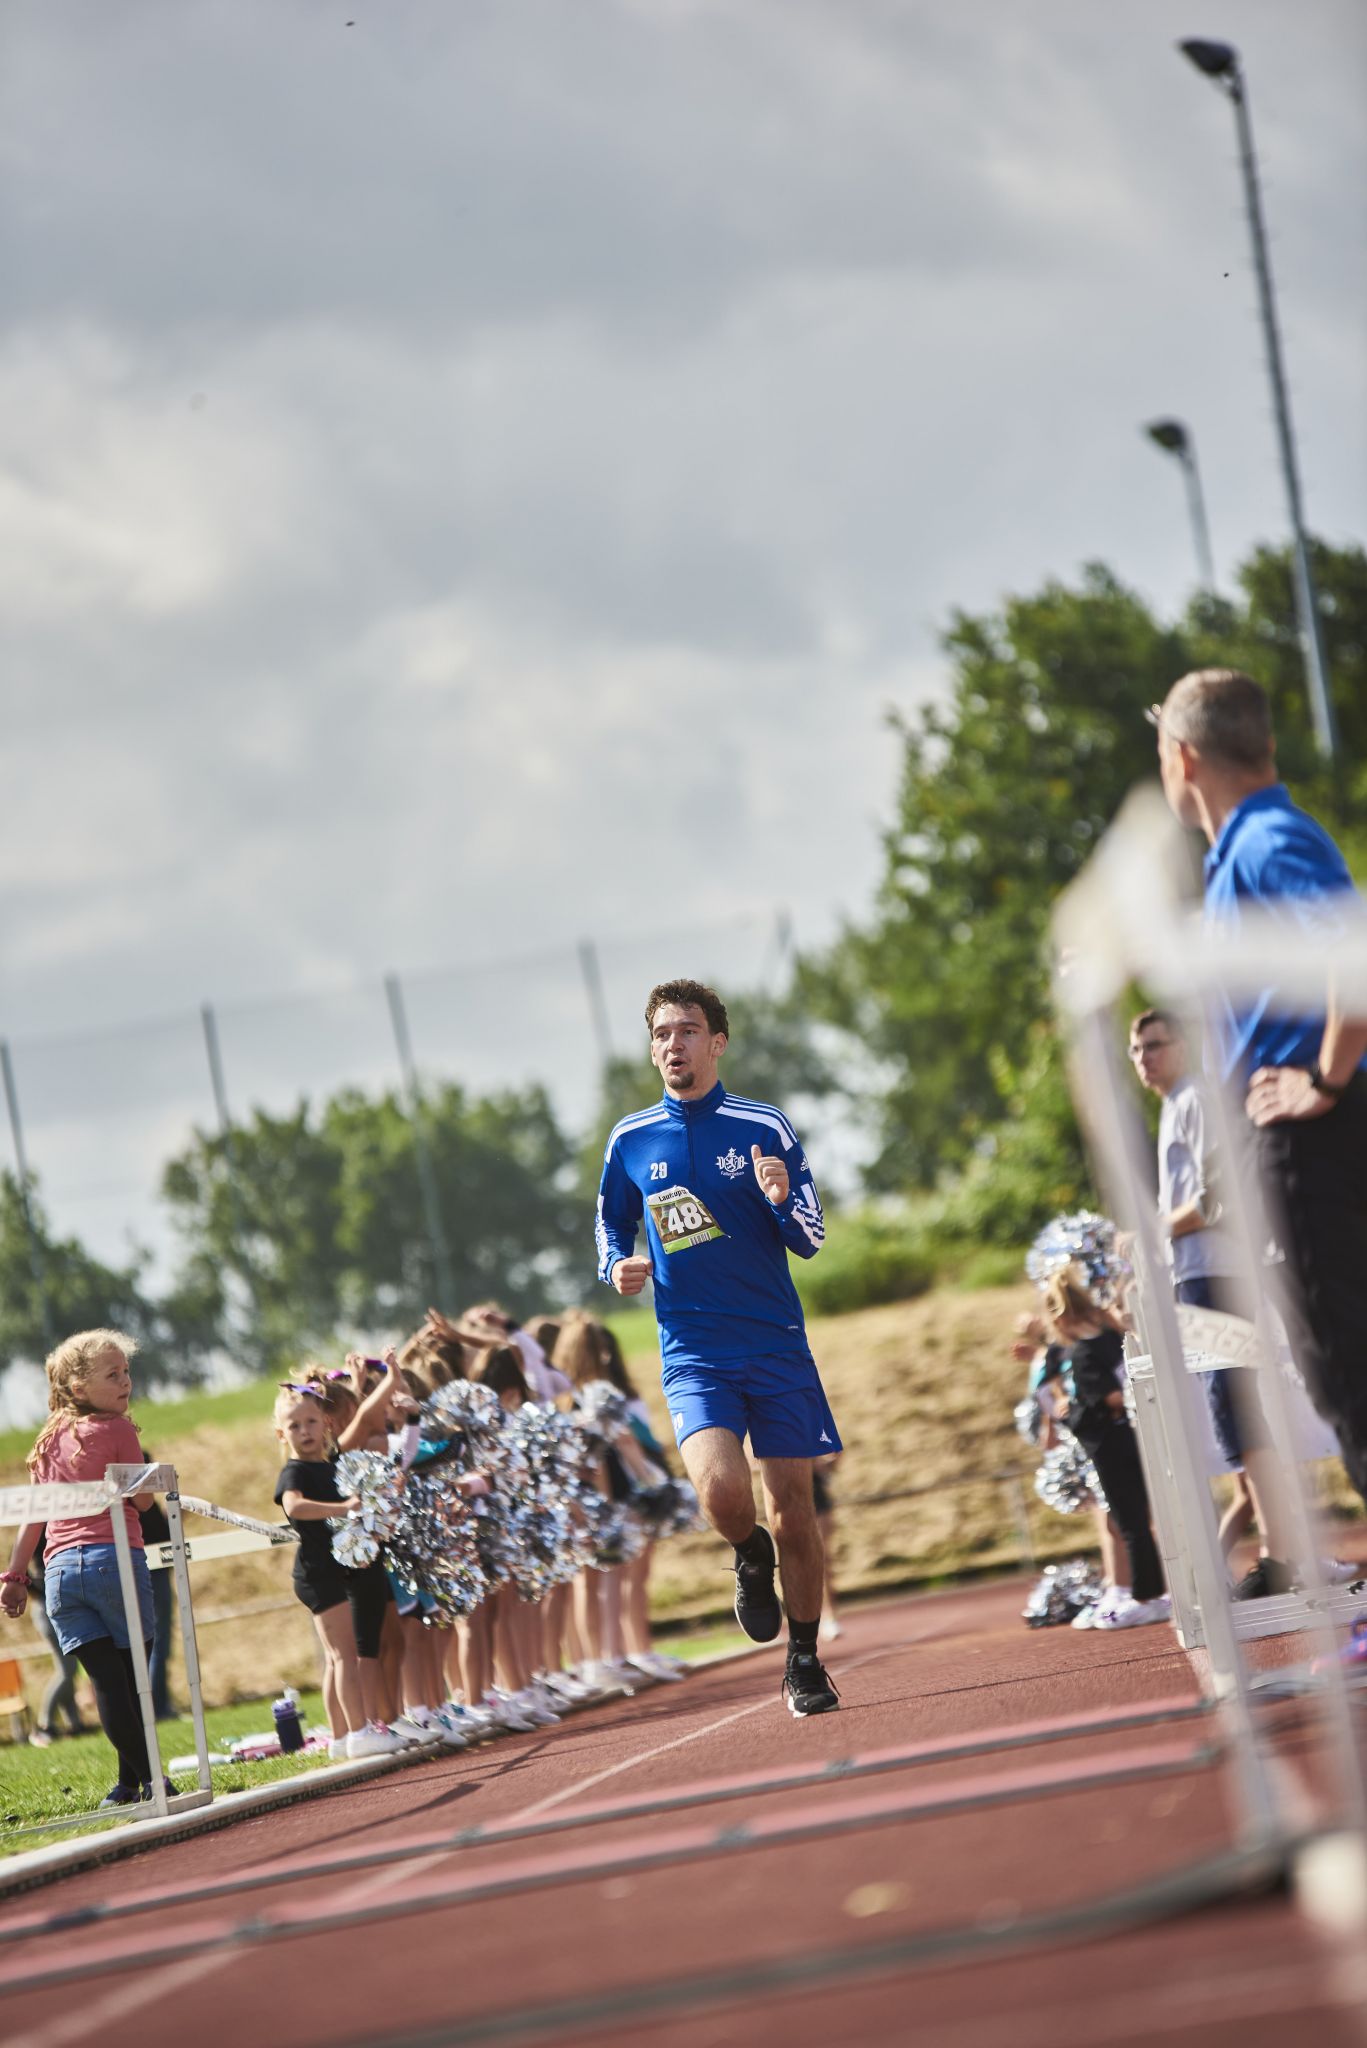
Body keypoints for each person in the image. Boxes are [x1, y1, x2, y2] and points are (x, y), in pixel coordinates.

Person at [1152, 669, 1367, 1521]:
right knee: (1338, 1364)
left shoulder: (1266, 840)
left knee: (1344, 1367)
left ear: (1182, 758)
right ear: (1265, 744)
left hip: (1311, 1137)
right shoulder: (1243, 850)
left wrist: (1323, 1080)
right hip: (1294, 1136)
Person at [595, 976, 841, 1717]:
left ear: (718, 1042)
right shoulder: (631, 1138)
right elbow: (609, 1223)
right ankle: (748, 1552)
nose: (674, 1044)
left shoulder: (764, 1124)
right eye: (662, 1034)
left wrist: (780, 1199)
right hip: (693, 1352)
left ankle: (804, 1660)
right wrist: (616, 1265)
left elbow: (811, 1237)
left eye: (688, 1031)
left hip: (775, 1345)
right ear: (652, 1051)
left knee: (794, 1509)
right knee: (723, 1494)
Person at [1127, 1005, 1292, 1597]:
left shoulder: (1196, 1100)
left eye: (1153, 1045)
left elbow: (1217, 1196)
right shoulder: (1175, 1106)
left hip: (1218, 1268)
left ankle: (1282, 1553)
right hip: (1195, 1271)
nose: (1143, 1058)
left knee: (1235, 1402)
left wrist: (1153, 1231)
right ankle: (1274, 1552)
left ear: (1182, 1044)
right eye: (1135, 1049)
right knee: (1228, 1409)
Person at [1, 1330, 171, 1807]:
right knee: (132, 1686)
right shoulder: (119, 1429)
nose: (126, 1382)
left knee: (109, 1686)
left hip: (59, 1575)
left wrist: (14, 1576)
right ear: (78, 1387)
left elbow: (33, 1516)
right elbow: (142, 1501)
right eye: (113, 1374)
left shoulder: (48, 1439)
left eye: (126, 1372)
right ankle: (156, 1781)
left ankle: (128, 1787)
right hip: (113, 1563)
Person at [272, 1374, 405, 1760]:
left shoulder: (332, 1465)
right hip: (317, 1575)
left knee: (339, 1657)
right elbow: (294, 1506)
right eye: (294, 1426)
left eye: (311, 1422)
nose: (305, 1431)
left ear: (326, 1423)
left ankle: (343, 1736)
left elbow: (363, 1422)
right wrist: (343, 1508)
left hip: (336, 1572)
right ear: (282, 1434)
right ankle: (360, 1733)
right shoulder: (295, 1472)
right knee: (345, 1655)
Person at [1043, 1266, 1171, 1630]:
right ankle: (1155, 1590)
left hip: (1112, 1445)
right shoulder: (1114, 1337)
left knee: (1131, 1523)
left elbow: (1114, 1397)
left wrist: (1074, 1410)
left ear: (1061, 1320)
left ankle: (1147, 1596)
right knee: (1150, 1517)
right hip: (1137, 1435)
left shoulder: (1084, 1353)